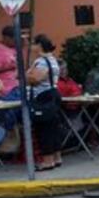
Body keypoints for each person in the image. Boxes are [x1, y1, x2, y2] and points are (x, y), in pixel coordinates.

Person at [26, 34, 64, 170]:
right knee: (53, 127)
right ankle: (56, 157)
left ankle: (48, 160)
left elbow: (35, 79)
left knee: (44, 129)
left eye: (33, 44)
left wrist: (27, 74)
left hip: (43, 97)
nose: (31, 47)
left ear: (39, 46)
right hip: (52, 95)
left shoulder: (42, 62)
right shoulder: (52, 59)